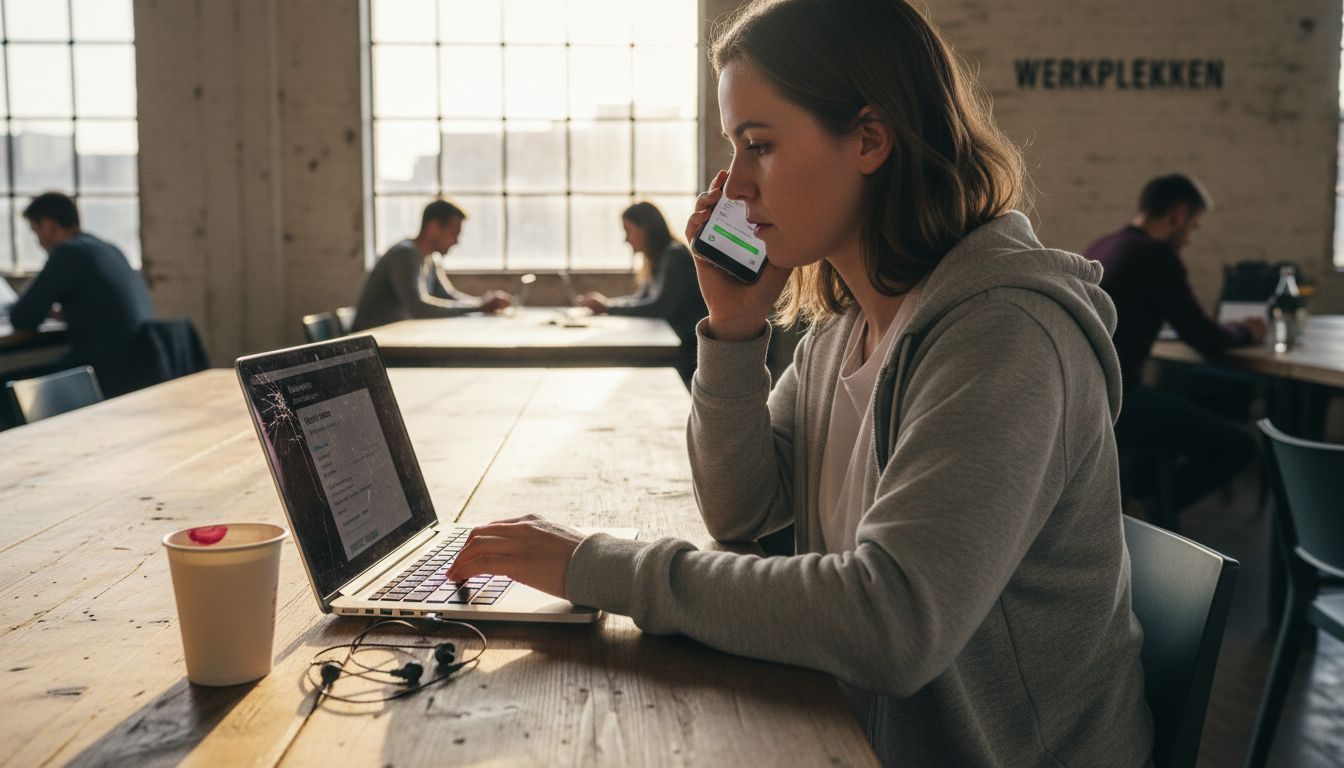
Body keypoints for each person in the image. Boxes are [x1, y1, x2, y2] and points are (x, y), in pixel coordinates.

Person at [446, 1, 1153, 765]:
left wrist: (594, 566)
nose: (735, 186)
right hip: (849, 725)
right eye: (734, 149)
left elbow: (892, 623)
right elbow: (742, 507)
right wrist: (733, 328)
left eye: (760, 146)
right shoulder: (845, 330)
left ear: (870, 139)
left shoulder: (1005, 333)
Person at [1083, 174, 1264, 516]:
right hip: (1121, 402)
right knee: (1240, 445)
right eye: (1193, 226)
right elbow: (1206, 338)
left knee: (1175, 411)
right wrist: (1247, 331)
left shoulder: (1104, 245)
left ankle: (1138, 500)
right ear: (1178, 215)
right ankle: (1151, 510)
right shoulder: (1155, 255)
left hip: (1084, 399)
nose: (1190, 238)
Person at [9, 192, 155, 396]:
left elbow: (22, 317)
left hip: (105, 374)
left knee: (9, 384)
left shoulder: (68, 253)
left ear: (49, 226)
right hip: (137, 369)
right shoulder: (108, 249)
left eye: (36, 232)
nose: (39, 243)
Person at [578, 202, 708, 385]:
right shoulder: (659, 258)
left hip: (688, 353)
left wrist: (608, 308)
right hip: (673, 345)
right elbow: (639, 300)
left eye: (628, 230)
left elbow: (659, 307)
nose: (626, 239)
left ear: (645, 228)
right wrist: (605, 304)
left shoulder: (674, 256)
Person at [350, 199, 511, 332]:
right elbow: (418, 308)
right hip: (373, 347)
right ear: (433, 227)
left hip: (396, 340)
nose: (456, 241)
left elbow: (448, 296)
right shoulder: (404, 254)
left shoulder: (431, 259)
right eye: (453, 233)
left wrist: (481, 302)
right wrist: (478, 307)